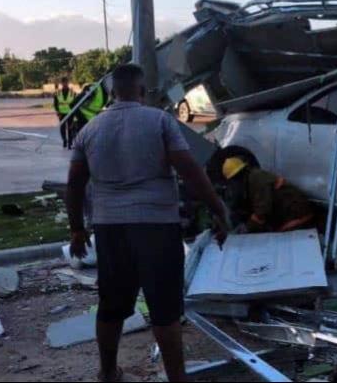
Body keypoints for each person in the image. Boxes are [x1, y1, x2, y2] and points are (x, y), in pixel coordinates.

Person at [67, 64, 229, 383]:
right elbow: (190, 170)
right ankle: (177, 377)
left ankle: (108, 372)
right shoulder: (159, 121)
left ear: (112, 93)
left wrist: (77, 229)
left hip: (110, 228)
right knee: (165, 308)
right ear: (142, 92)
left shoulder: (90, 129)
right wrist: (218, 209)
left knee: (111, 304)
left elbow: (74, 185)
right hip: (156, 225)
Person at [221, 157, 316, 233]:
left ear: (238, 176)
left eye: (233, 181)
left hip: (298, 216)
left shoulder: (256, 179)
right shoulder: (250, 179)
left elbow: (262, 212)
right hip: (290, 213)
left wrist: (246, 228)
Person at [52, 77, 77, 149]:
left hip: (70, 113)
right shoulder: (57, 93)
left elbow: (76, 103)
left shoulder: (73, 93)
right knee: (62, 128)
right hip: (61, 113)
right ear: (61, 83)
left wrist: (74, 113)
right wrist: (58, 112)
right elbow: (55, 104)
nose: (65, 84)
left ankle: (70, 142)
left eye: (66, 82)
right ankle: (64, 141)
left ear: (68, 83)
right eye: (64, 83)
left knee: (70, 128)